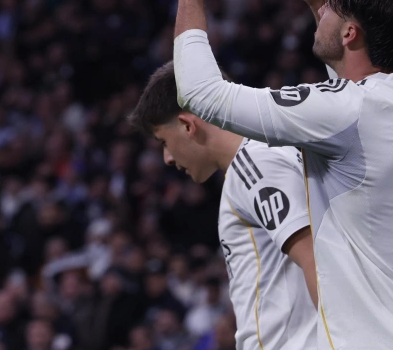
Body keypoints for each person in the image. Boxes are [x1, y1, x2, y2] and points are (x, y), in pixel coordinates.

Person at [173, 0, 393, 349]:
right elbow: (354, 94)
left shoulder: (347, 111)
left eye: (332, 8)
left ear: (350, 33)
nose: (323, 10)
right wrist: (317, 2)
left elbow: (201, 94)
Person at [127, 61, 317, 349]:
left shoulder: (256, 165)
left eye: (163, 141)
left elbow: (316, 260)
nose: (166, 157)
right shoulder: (247, 167)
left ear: (188, 125)